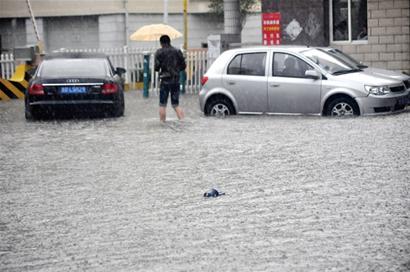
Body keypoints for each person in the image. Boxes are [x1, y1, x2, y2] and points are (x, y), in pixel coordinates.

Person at [154, 35, 186, 122]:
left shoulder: (159, 52)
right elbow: (183, 66)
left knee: (162, 104)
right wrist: (175, 70)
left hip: (165, 81)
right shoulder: (177, 51)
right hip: (176, 80)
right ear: (169, 41)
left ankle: (162, 123)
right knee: (176, 104)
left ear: (161, 43)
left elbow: (156, 68)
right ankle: (182, 121)